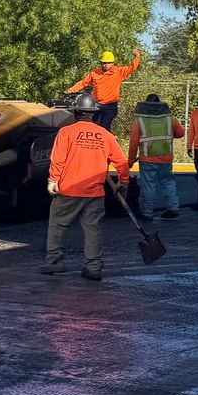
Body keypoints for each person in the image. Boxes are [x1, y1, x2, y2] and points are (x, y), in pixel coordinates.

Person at [42, 98, 131, 280]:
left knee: (57, 225)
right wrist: (123, 182)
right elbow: (121, 161)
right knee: (93, 229)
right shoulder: (105, 135)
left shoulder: (66, 132)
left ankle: (54, 262)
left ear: (75, 113)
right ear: (94, 113)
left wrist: (53, 179)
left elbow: (58, 159)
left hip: (69, 190)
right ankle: (94, 267)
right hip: (94, 193)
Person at [126, 93, 184, 221]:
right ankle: (173, 208)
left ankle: (147, 213)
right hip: (166, 157)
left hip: (147, 159)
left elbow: (134, 143)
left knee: (148, 185)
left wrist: (130, 160)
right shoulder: (170, 118)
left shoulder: (139, 120)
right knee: (168, 182)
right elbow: (180, 133)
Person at [67, 46, 142, 131]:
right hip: (96, 105)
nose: (106, 65)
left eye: (109, 63)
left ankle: (105, 142)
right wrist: (72, 90)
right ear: (101, 63)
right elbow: (83, 82)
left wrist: (137, 56)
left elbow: (132, 68)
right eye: (104, 63)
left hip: (110, 106)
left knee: (104, 127)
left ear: (113, 63)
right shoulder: (94, 73)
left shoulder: (119, 72)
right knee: (93, 126)